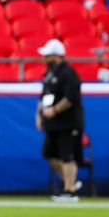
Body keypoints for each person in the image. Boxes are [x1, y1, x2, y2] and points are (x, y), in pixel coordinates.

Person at [35, 38, 85, 203]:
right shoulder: (48, 74)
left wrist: (54, 110)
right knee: (51, 155)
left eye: (47, 56)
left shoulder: (69, 74)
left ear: (56, 56)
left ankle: (70, 191)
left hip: (68, 122)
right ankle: (70, 183)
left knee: (67, 156)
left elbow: (70, 98)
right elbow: (43, 98)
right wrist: (39, 115)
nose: (44, 59)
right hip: (53, 124)